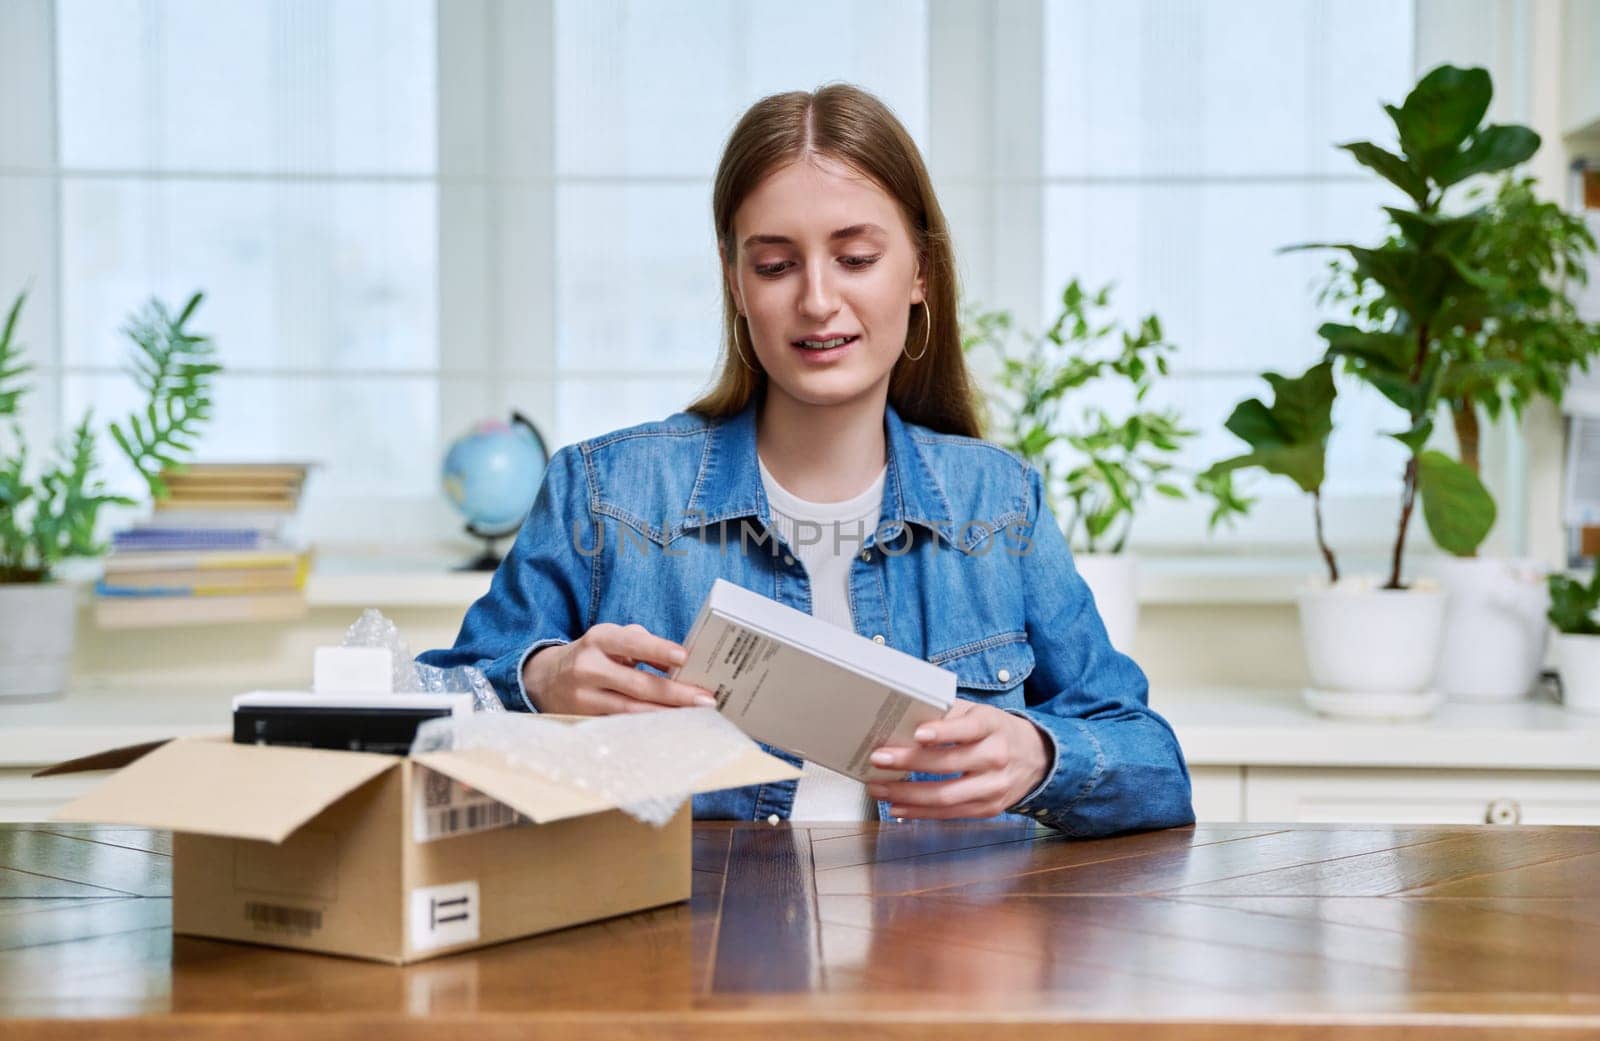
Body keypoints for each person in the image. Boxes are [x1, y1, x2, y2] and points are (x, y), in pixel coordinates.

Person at [416, 84, 1195, 836]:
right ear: (735, 281)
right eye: (776, 265)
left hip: (942, 958)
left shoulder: (998, 507)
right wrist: (542, 679)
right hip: (679, 961)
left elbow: (1155, 764)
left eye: (855, 258)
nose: (818, 300)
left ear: (920, 271)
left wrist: (1040, 756)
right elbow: (423, 714)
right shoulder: (606, 495)